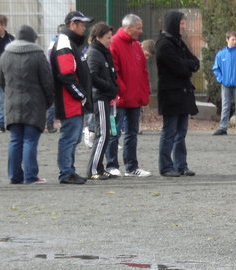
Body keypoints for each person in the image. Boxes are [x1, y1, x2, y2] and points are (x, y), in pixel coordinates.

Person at [0, 24, 54, 183]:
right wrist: (48, 101)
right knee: (30, 139)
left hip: (12, 103)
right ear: (32, 38)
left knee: (15, 139)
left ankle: (14, 176)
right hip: (34, 104)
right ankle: (30, 176)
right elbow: (47, 81)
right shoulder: (38, 54)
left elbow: (1, 80)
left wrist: (10, 94)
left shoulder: (5, 55)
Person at [105, 14, 151, 177]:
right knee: (114, 132)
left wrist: (144, 92)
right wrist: (122, 91)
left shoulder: (136, 46)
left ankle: (131, 167)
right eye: (138, 28)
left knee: (132, 133)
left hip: (134, 99)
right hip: (120, 99)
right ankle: (111, 165)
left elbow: (143, 72)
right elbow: (114, 72)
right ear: (128, 28)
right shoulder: (115, 44)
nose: (141, 31)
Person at [155, 10, 200, 177]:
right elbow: (180, 68)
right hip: (171, 95)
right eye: (181, 23)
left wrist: (187, 65)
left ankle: (181, 165)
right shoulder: (164, 44)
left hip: (183, 94)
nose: (184, 26)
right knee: (169, 131)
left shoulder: (178, 42)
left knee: (181, 132)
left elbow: (195, 62)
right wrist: (187, 66)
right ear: (174, 24)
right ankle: (166, 166)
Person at [51, 11, 93, 185]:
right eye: (82, 24)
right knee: (69, 137)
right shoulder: (64, 43)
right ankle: (66, 172)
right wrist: (81, 95)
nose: (85, 27)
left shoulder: (70, 43)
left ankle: (69, 170)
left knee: (73, 137)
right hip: (69, 101)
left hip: (74, 100)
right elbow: (66, 75)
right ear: (72, 24)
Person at [84, 22, 118, 180]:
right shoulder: (94, 53)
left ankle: (99, 167)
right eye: (108, 38)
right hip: (100, 97)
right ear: (98, 37)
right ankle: (92, 169)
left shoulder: (103, 52)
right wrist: (109, 87)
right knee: (103, 133)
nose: (111, 40)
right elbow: (92, 76)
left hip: (105, 96)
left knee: (106, 133)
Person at [212, 31, 236, 135]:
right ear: (227, 40)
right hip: (225, 84)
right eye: (232, 39)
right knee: (225, 105)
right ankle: (223, 127)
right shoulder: (221, 54)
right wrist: (221, 79)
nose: (235, 42)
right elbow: (216, 69)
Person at [0, 15, 14, 132]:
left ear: (5, 25)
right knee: (0, 99)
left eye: (1, 24)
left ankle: (5, 122)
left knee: (6, 99)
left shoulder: (11, 39)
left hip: (8, 73)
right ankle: (0, 123)